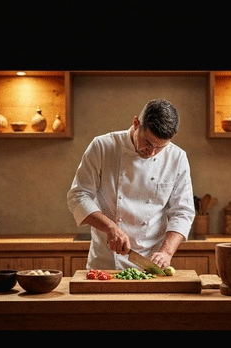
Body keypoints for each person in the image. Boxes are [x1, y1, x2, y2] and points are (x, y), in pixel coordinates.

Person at [67, 98, 195, 270]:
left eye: (160, 148)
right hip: (106, 260)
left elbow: (183, 211)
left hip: (151, 262)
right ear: (136, 123)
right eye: (148, 143)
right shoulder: (103, 147)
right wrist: (110, 228)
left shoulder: (177, 158)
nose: (151, 153)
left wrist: (166, 252)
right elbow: (78, 195)